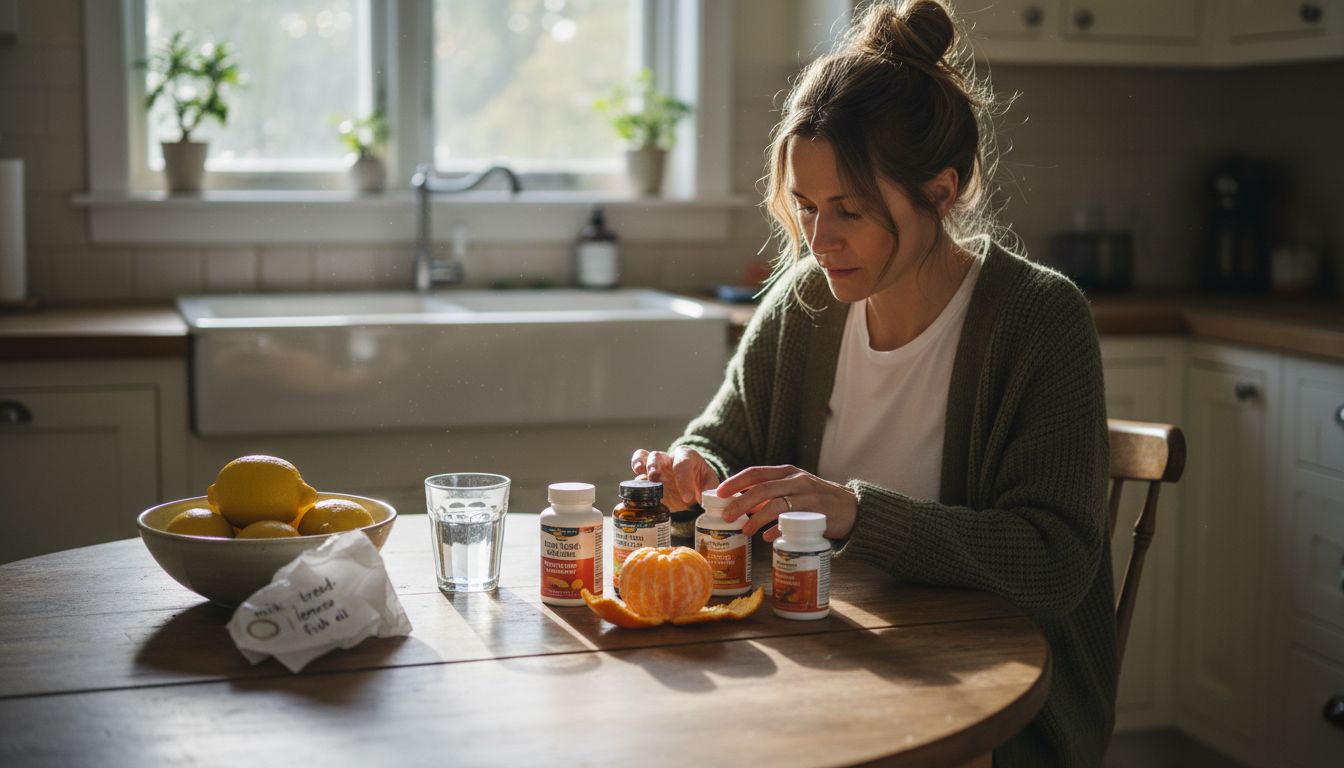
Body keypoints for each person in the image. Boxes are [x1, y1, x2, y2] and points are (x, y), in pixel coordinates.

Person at [631, 1, 1115, 764]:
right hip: (821, 664)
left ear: (941, 191)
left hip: (993, 702)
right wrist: (695, 471)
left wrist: (853, 511)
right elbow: (719, 440)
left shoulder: (1038, 319)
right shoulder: (804, 306)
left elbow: (1054, 560)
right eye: (807, 208)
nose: (820, 242)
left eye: (849, 211)